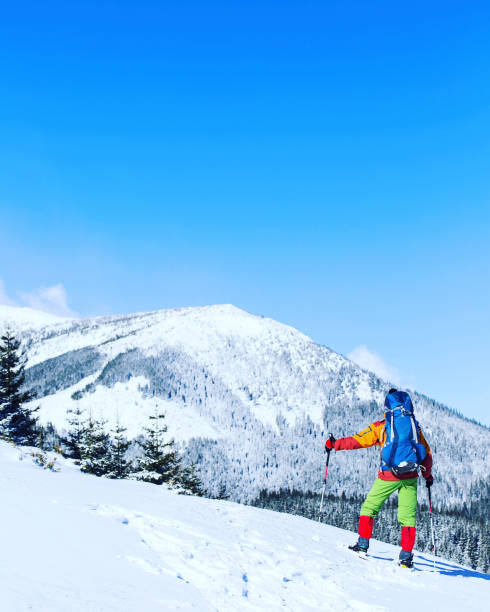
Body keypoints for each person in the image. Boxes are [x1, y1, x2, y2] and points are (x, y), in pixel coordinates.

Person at [325, 388, 433, 568]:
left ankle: (362, 546)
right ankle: (406, 558)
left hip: (388, 475)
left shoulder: (382, 426)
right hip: (411, 476)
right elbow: (426, 455)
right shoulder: (415, 427)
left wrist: (334, 444)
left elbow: (357, 441)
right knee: (408, 517)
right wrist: (427, 476)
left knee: (369, 507)